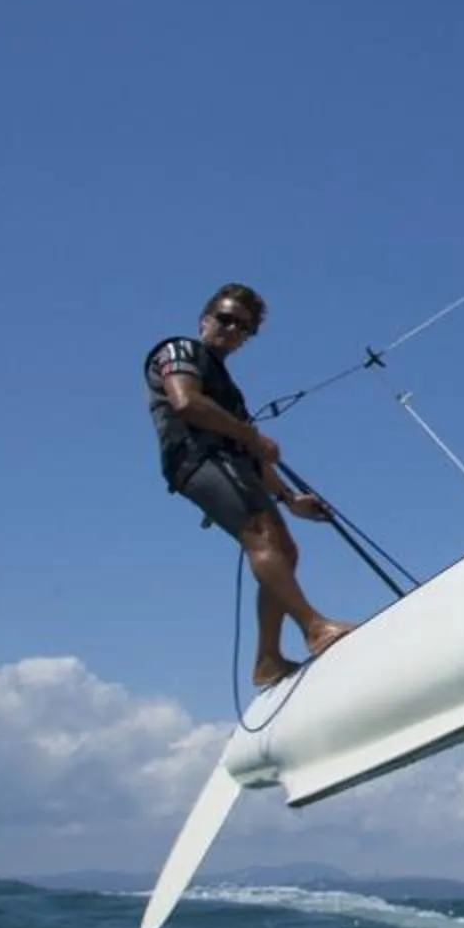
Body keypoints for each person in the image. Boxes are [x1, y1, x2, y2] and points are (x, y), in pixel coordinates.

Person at [145, 283, 354, 687]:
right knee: (262, 538)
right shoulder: (178, 350)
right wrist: (251, 436)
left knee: (286, 551)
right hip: (197, 460)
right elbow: (186, 402)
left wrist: (289, 498)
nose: (232, 330)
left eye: (243, 327)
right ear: (205, 319)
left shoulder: (229, 389)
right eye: (225, 319)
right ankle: (314, 628)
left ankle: (269, 660)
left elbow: (251, 455)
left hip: (231, 463)